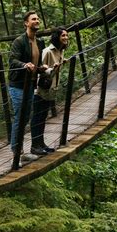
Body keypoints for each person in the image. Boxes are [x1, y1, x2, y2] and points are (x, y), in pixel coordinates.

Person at [8, 10, 47, 162]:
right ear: (26, 23)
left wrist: (41, 67)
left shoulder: (39, 42)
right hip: (18, 85)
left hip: (30, 84)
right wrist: (24, 65)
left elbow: (37, 63)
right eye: (33, 19)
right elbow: (12, 61)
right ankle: (16, 151)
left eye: (38, 19)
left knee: (25, 118)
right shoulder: (19, 41)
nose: (37, 21)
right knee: (20, 117)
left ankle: (19, 150)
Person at [30, 27, 69, 155]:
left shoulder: (60, 51)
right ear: (57, 37)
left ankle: (41, 144)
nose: (65, 38)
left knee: (43, 117)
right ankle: (34, 146)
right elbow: (40, 69)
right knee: (37, 117)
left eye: (66, 35)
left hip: (51, 89)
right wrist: (52, 69)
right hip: (41, 89)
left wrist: (62, 62)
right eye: (63, 35)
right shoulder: (48, 51)